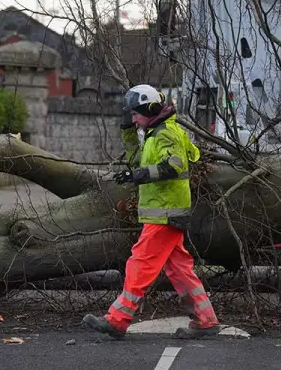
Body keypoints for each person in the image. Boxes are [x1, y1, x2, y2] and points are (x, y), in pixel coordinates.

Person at [82, 84, 221, 340]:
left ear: (150, 108)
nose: (133, 118)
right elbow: (137, 161)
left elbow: (174, 165)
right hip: (166, 213)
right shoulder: (154, 133)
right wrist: (128, 132)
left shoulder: (166, 133)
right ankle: (206, 320)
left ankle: (118, 320)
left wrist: (137, 175)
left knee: (140, 264)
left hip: (166, 213)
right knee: (180, 270)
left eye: (135, 113)